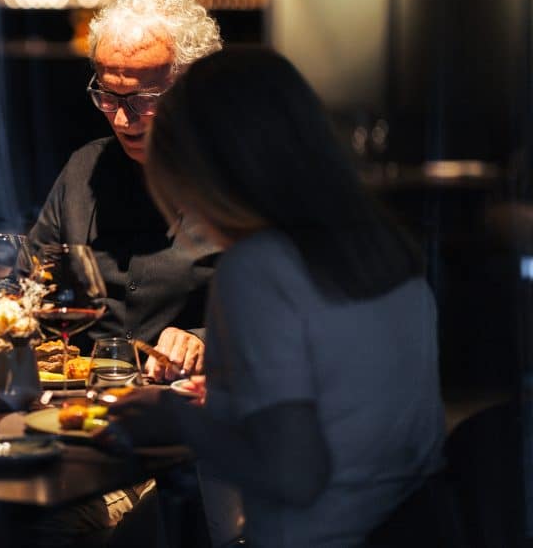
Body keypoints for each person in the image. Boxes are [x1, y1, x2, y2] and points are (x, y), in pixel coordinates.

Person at [108, 46, 445, 546]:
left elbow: (295, 476)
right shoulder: (386, 248)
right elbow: (353, 409)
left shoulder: (259, 269)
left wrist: (178, 421)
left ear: (209, 169)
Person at [0, 0, 223, 380]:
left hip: (191, 403)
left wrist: (205, 340)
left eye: (146, 99)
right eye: (109, 96)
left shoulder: (242, 181)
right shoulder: (85, 169)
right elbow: (29, 287)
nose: (124, 119)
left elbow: (287, 314)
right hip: (79, 395)